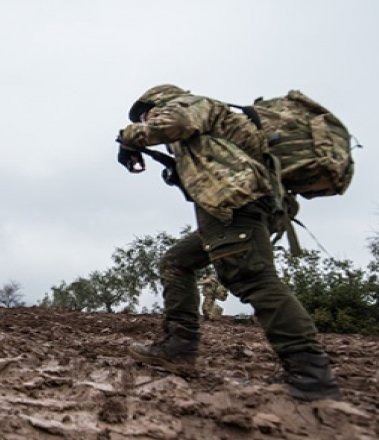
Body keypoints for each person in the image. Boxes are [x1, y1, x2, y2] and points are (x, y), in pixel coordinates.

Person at [116, 84, 342, 401]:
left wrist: (128, 136)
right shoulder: (206, 131)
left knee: (254, 279)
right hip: (232, 206)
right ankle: (178, 347)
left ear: (159, 101)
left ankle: (312, 376)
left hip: (234, 204)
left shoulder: (188, 104)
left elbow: (173, 124)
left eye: (145, 113)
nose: (145, 120)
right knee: (176, 262)